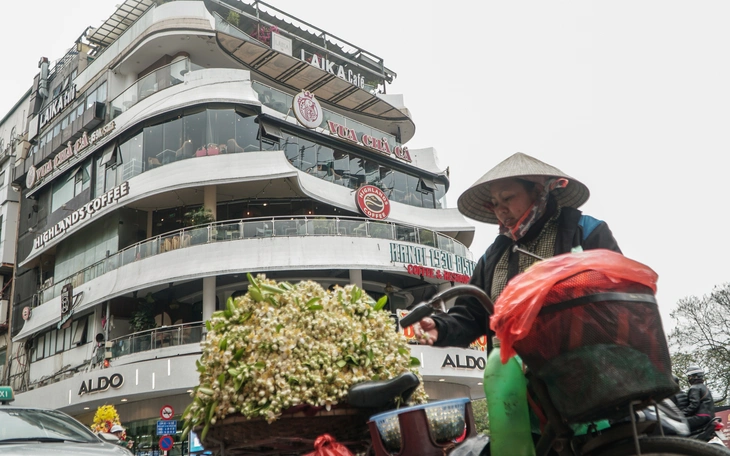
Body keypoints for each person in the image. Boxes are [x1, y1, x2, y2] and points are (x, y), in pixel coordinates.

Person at [411, 152, 622, 350]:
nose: (500, 210)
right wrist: (440, 327)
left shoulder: (585, 232)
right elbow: (471, 315)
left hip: (580, 367)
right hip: (512, 373)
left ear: (538, 192)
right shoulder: (493, 257)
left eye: (508, 198)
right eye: (495, 203)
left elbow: (619, 298)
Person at [681, 365, 715, 432]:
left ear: (694, 377)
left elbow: (694, 404)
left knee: (677, 424)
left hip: (701, 416)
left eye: (689, 377)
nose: (689, 378)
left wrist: (681, 413)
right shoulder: (705, 387)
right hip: (710, 416)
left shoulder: (694, 388)